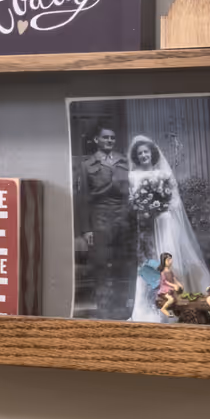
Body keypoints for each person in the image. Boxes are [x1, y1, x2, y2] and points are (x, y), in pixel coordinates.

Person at [126, 135, 210, 323]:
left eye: (146, 152)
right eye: (140, 153)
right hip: (146, 225)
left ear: (152, 153)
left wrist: (160, 206)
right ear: (136, 156)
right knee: (149, 262)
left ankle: (174, 306)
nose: (143, 156)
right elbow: (132, 200)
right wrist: (144, 207)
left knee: (167, 261)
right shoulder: (133, 176)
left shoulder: (163, 174)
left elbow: (174, 201)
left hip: (164, 222)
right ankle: (147, 309)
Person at [79, 127, 132, 319]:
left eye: (112, 137)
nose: (110, 140)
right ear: (96, 140)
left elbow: (129, 193)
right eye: (105, 137)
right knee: (101, 264)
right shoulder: (87, 165)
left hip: (123, 220)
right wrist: (86, 229)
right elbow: (83, 198)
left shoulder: (124, 161)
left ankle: (121, 307)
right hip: (100, 219)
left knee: (121, 264)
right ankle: (104, 309)